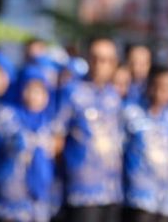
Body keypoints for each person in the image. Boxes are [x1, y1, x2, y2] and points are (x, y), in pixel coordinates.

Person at [0, 63, 62, 222]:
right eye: (29, 88)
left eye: (40, 90)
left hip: (39, 201)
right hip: (8, 198)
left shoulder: (49, 123)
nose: (34, 95)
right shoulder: (4, 116)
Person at [57, 38, 124, 222]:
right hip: (82, 189)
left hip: (111, 190)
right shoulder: (72, 92)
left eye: (106, 60)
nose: (99, 65)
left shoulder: (114, 96)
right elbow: (57, 138)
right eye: (95, 58)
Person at [121, 66, 168, 222]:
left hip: (166, 196)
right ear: (149, 85)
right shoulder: (131, 112)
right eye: (159, 85)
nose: (163, 92)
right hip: (139, 195)